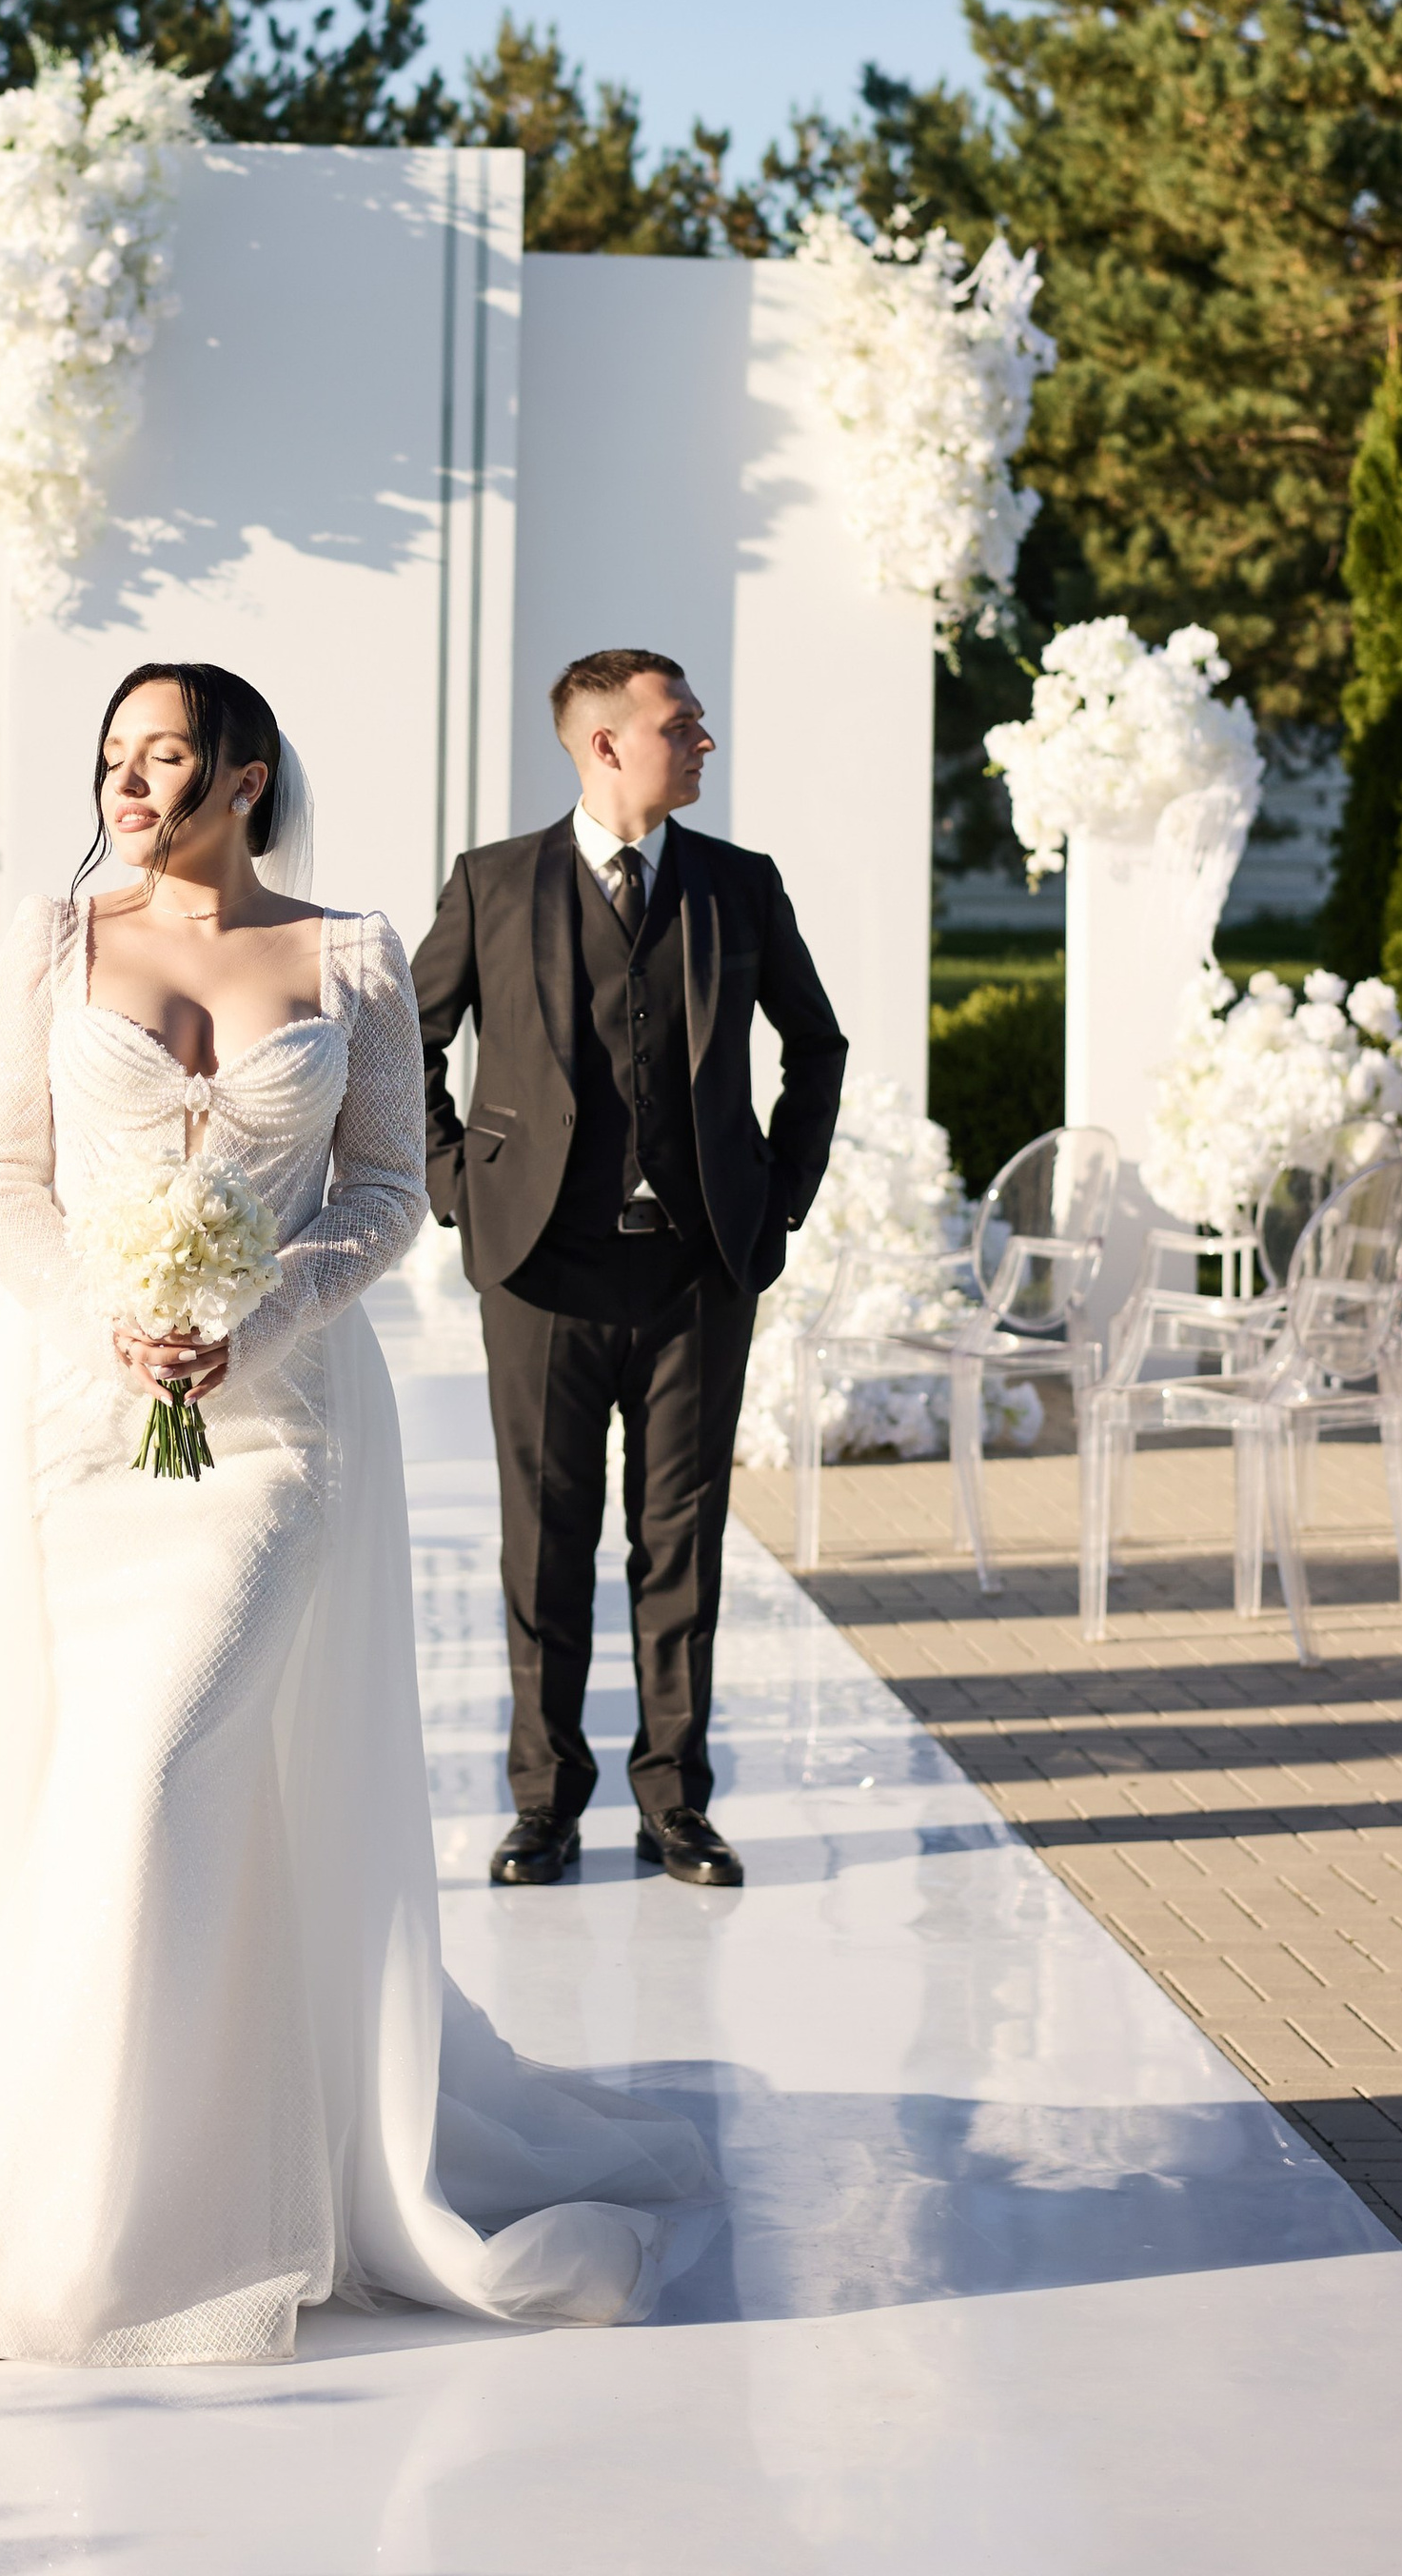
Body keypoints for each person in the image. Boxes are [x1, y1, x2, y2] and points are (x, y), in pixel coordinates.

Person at [0, 660, 710, 2365]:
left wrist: (262, 1312)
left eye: (163, 754)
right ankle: (99, 2164)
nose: (128, 782)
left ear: (245, 776)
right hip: (77, 1418)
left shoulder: (354, 953)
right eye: (111, 754)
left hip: (277, 1427)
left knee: (160, 1754)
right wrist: (108, 1309)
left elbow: (390, 1187)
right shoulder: (50, 939)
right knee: (105, 1775)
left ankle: (146, 2208)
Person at [411, 650, 846, 1891]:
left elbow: (816, 1046)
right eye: (681, 723)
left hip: (697, 1273)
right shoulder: (493, 885)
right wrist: (458, 1187)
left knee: (682, 1544)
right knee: (542, 1548)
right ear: (605, 743)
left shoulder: (739, 886)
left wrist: (776, 1201)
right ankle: (543, 1806)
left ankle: (677, 1805)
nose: (704, 740)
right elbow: (404, 1045)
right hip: (540, 1274)